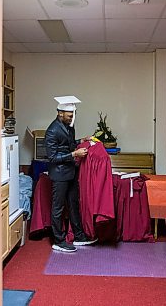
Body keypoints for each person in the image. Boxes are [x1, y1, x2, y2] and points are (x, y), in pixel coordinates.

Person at [44, 95, 98, 252]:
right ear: (60, 113)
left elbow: (69, 145)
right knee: (58, 207)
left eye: (73, 114)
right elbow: (52, 157)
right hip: (59, 174)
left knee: (74, 205)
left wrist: (82, 140)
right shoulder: (52, 131)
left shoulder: (69, 126)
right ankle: (58, 240)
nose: (72, 117)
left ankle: (79, 236)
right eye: (69, 115)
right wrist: (74, 154)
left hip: (70, 172)